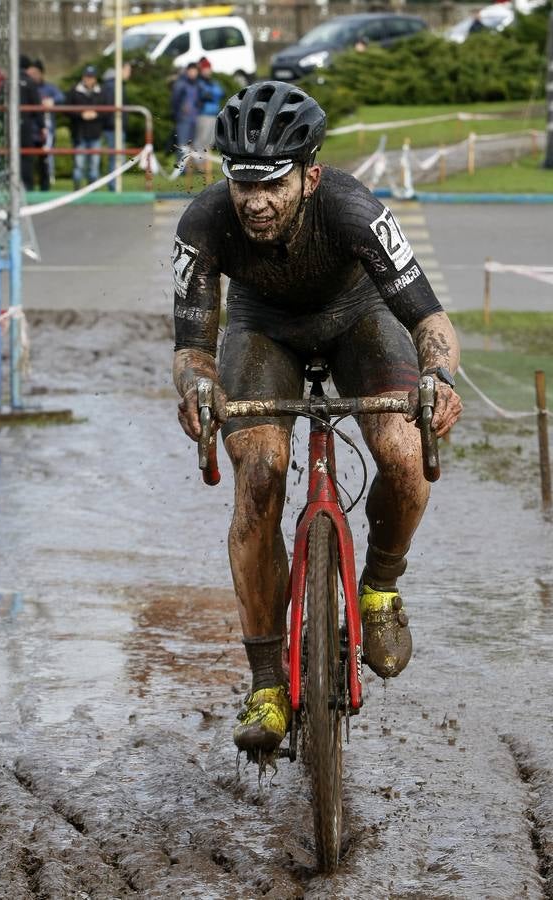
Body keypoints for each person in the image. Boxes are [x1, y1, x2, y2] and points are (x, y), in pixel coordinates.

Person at [172, 82, 463, 754]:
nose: (257, 203)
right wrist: (195, 388)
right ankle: (268, 682)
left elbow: (428, 318)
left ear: (309, 174)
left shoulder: (353, 209)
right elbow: (191, 348)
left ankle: (382, 587)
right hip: (259, 332)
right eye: (244, 187)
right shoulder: (204, 221)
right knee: (261, 476)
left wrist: (439, 376)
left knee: (402, 447)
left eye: (273, 184)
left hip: (360, 320)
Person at [26, 58, 64, 191]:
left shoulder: (49, 88)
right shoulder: (27, 86)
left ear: (41, 73)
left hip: (45, 130)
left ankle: (45, 186)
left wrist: (51, 101)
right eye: (30, 73)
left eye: (35, 73)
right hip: (31, 130)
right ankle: (28, 187)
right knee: (28, 159)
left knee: (45, 160)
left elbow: (61, 97)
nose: (32, 76)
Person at [67, 65, 103, 191]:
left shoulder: (100, 92)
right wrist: (81, 114)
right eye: (87, 77)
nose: (89, 79)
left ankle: (93, 191)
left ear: (95, 79)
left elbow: (106, 110)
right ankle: (77, 191)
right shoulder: (74, 91)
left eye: (92, 77)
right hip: (79, 133)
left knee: (94, 165)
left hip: (95, 133)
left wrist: (96, 114)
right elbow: (67, 110)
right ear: (83, 77)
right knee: (79, 164)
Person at [101, 61, 131, 191]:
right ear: (121, 70)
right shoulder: (112, 86)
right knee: (117, 158)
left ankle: (114, 185)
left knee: (119, 158)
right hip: (113, 127)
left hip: (116, 126)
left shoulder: (116, 85)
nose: (129, 74)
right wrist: (113, 123)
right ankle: (113, 186)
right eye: (128, 70)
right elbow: (108, 107)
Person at [194, 57, 224, 185]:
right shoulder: (199, 82)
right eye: (206, 69)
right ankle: (199, 166)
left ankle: (206, 166)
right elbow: (206, 95)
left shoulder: (212, 82)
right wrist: (211, 94)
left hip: (213, 115)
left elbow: (219, 92)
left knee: (209, 142)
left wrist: (211, 93)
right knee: (201, 141)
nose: (208, 71)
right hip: (203, 115)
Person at [170, 61, 203, 176]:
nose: (193, 73)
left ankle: (188, 169)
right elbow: (174, 101)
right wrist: (178, 113)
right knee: (182, 145)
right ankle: (179, 170)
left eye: (195, 71)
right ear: (187, 71)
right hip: (183, 119)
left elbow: (199, 100)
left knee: (190, 145)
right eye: (191, 71)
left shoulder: (197, 84)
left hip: (194, 119)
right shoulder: (180, 84)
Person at [19, 54, 45, 191]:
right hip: (25, 124)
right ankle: (27, 187)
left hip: (10, 125)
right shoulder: (29, 82)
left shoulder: (8, 81)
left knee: (13, 155)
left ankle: (14, 185)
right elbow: (37, 107)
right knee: (26, 156)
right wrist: (42, 126)